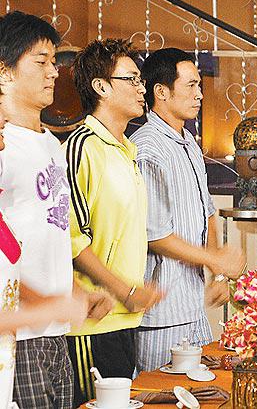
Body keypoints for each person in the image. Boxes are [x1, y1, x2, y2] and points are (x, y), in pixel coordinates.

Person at [0, 11, 96, 408]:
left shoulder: (53, 145)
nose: (54, 72)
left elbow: (50, 230)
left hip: (56, 328)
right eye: (41, 61)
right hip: (19, 331)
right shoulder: (5, 145)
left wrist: (73, 291)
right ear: (4, 72)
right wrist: (40, 302)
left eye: (54, 61)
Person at [130, 48, 246, 372]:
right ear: (161, 92)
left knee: (207, 389)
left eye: (199, 85)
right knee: (161, 394)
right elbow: (155, 235)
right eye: (191, 85)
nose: (199, 94)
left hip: (193, 307)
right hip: (161, 312)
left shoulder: (189, 142)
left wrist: (217, 272)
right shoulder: (148, 147)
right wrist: (215, 259)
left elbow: (207, 212)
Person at [64, 38, 163, 407]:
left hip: (125, 320)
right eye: (131, 79)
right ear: (101, 87)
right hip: (93, 323)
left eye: (140, 80)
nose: (141, 88)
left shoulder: (126, 148)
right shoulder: (82, 147)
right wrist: (125, 291)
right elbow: (72, 242)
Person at [0, 104, 87, 407]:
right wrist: (44, 308)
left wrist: (68, 293)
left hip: (29, 342)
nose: (4, 144)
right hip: (22, 339)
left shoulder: (51, 145)